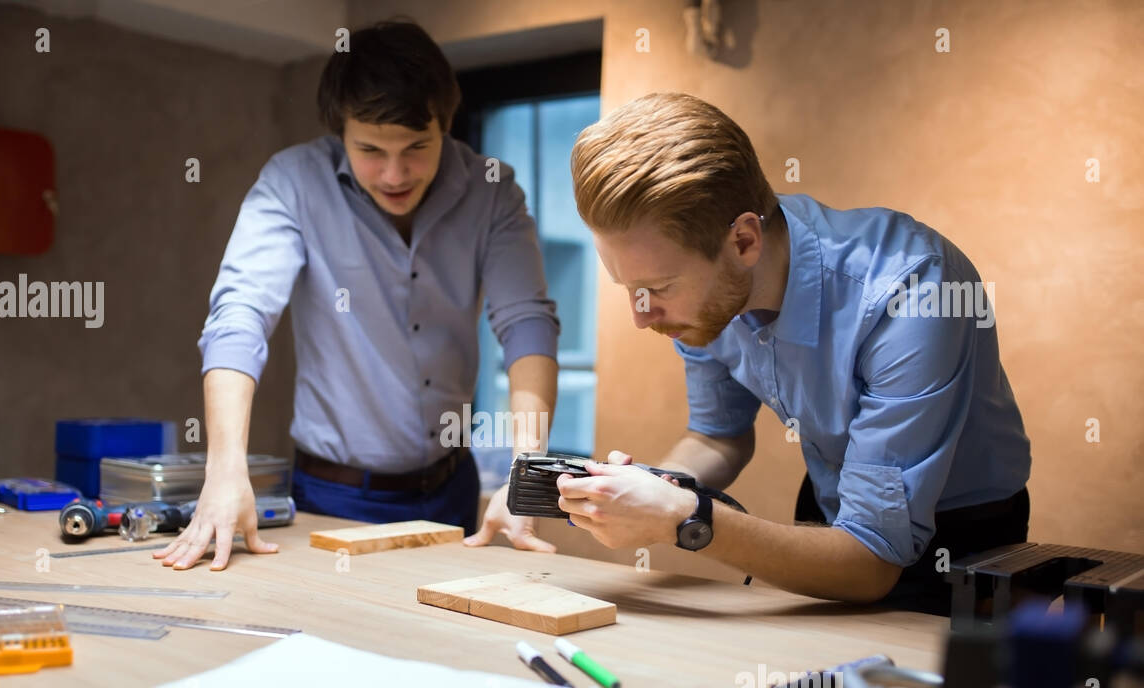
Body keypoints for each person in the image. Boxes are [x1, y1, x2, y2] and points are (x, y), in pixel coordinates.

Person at [558, 92, 1031, 615]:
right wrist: (646, 487)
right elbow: (718, 436)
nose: (641, 316)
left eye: (659, 287)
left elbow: (873, 559)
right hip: (835, 512)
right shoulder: (708, 301)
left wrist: (684, 518)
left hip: (965, 538)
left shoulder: (913, 292)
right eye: (627, 288)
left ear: (743, 241)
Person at [154, 20, 561, 572]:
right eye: (371, 149)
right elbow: (240, 315)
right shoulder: (293, 182)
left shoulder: (492, 191)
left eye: (417, 146)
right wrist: (226, 470)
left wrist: (526, 471)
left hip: (451, 488)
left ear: (446, 123)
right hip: (334, 495)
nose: (395, 173)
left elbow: (527, 323)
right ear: (339, 130)